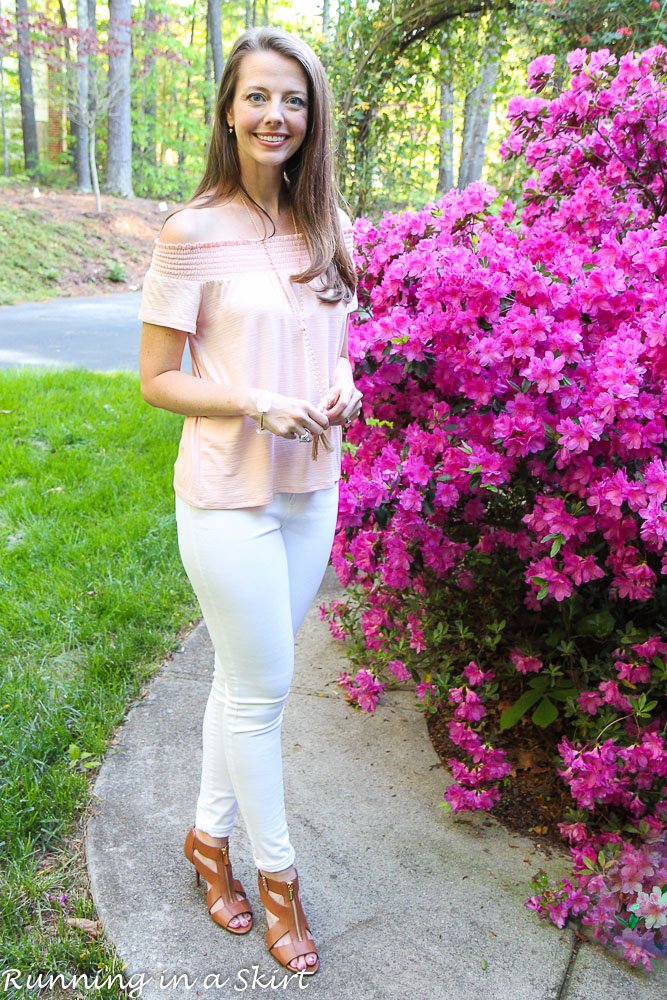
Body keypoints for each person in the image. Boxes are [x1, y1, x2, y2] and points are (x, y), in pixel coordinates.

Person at [137, 25, 362, 978]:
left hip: (313, 486)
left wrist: (344, 381)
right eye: (259, 97)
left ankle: (203, 840)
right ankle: (278, 882)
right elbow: (156, 379)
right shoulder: (192, 232)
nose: (277, 115)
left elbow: (337, 342)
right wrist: (251, 399)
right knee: (264, 695)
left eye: (294, 99)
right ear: (228, 111)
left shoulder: (329, 224)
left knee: (242, 682)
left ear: (313, 117)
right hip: (230, 493)